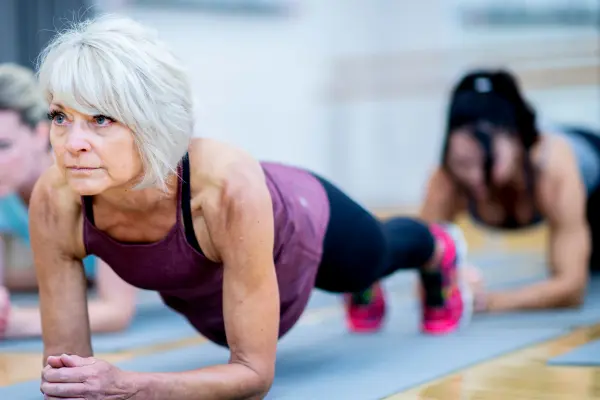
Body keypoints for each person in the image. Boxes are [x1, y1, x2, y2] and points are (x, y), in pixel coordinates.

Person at [34, 15, 472, 399]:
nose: (72, 144)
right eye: (60, 117)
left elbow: (253, 376)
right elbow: (66, 375)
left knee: (374, 258)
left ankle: (435, 247)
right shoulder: (56, 200)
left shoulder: (225, 189)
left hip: (304, 216)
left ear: (151, 121)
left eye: (101, 120)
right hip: (221, 276)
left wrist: (130, 386)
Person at [419, 68, 600, 313]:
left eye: (486, 162)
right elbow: (424, 267)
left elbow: (572, 287)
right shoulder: (446, 179)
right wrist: (452, 281)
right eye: (463, 163)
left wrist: (487, 301)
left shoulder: (551, 169)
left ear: (515, 140)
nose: (474, 177)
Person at [0, 63, 137, 339]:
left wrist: (11, 323)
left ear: (40, 134)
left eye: (3, 146)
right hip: (84, 281)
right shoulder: (6, 187)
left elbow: (117, 311)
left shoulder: (90, 183)